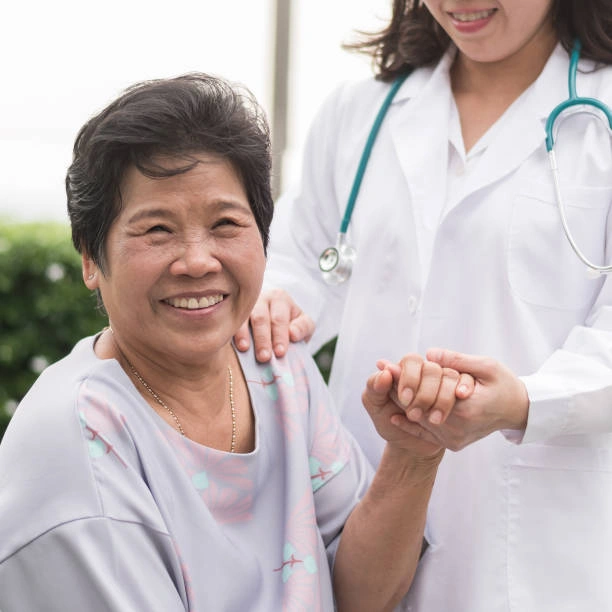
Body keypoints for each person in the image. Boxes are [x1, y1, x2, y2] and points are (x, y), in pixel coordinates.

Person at [0, 72, 475, 612]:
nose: (199, 260)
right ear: (90, 257)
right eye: (157, 230)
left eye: (226, 223)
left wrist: (413, 456)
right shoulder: (78, 443)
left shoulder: (275, 366)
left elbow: (361, 594)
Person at [235, 1, 612, 610]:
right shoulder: (361, 112)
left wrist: (520, 401)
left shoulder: (603, 118)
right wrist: (279, 306)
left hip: (534, 546)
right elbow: (301, 263)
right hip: (360, 518)